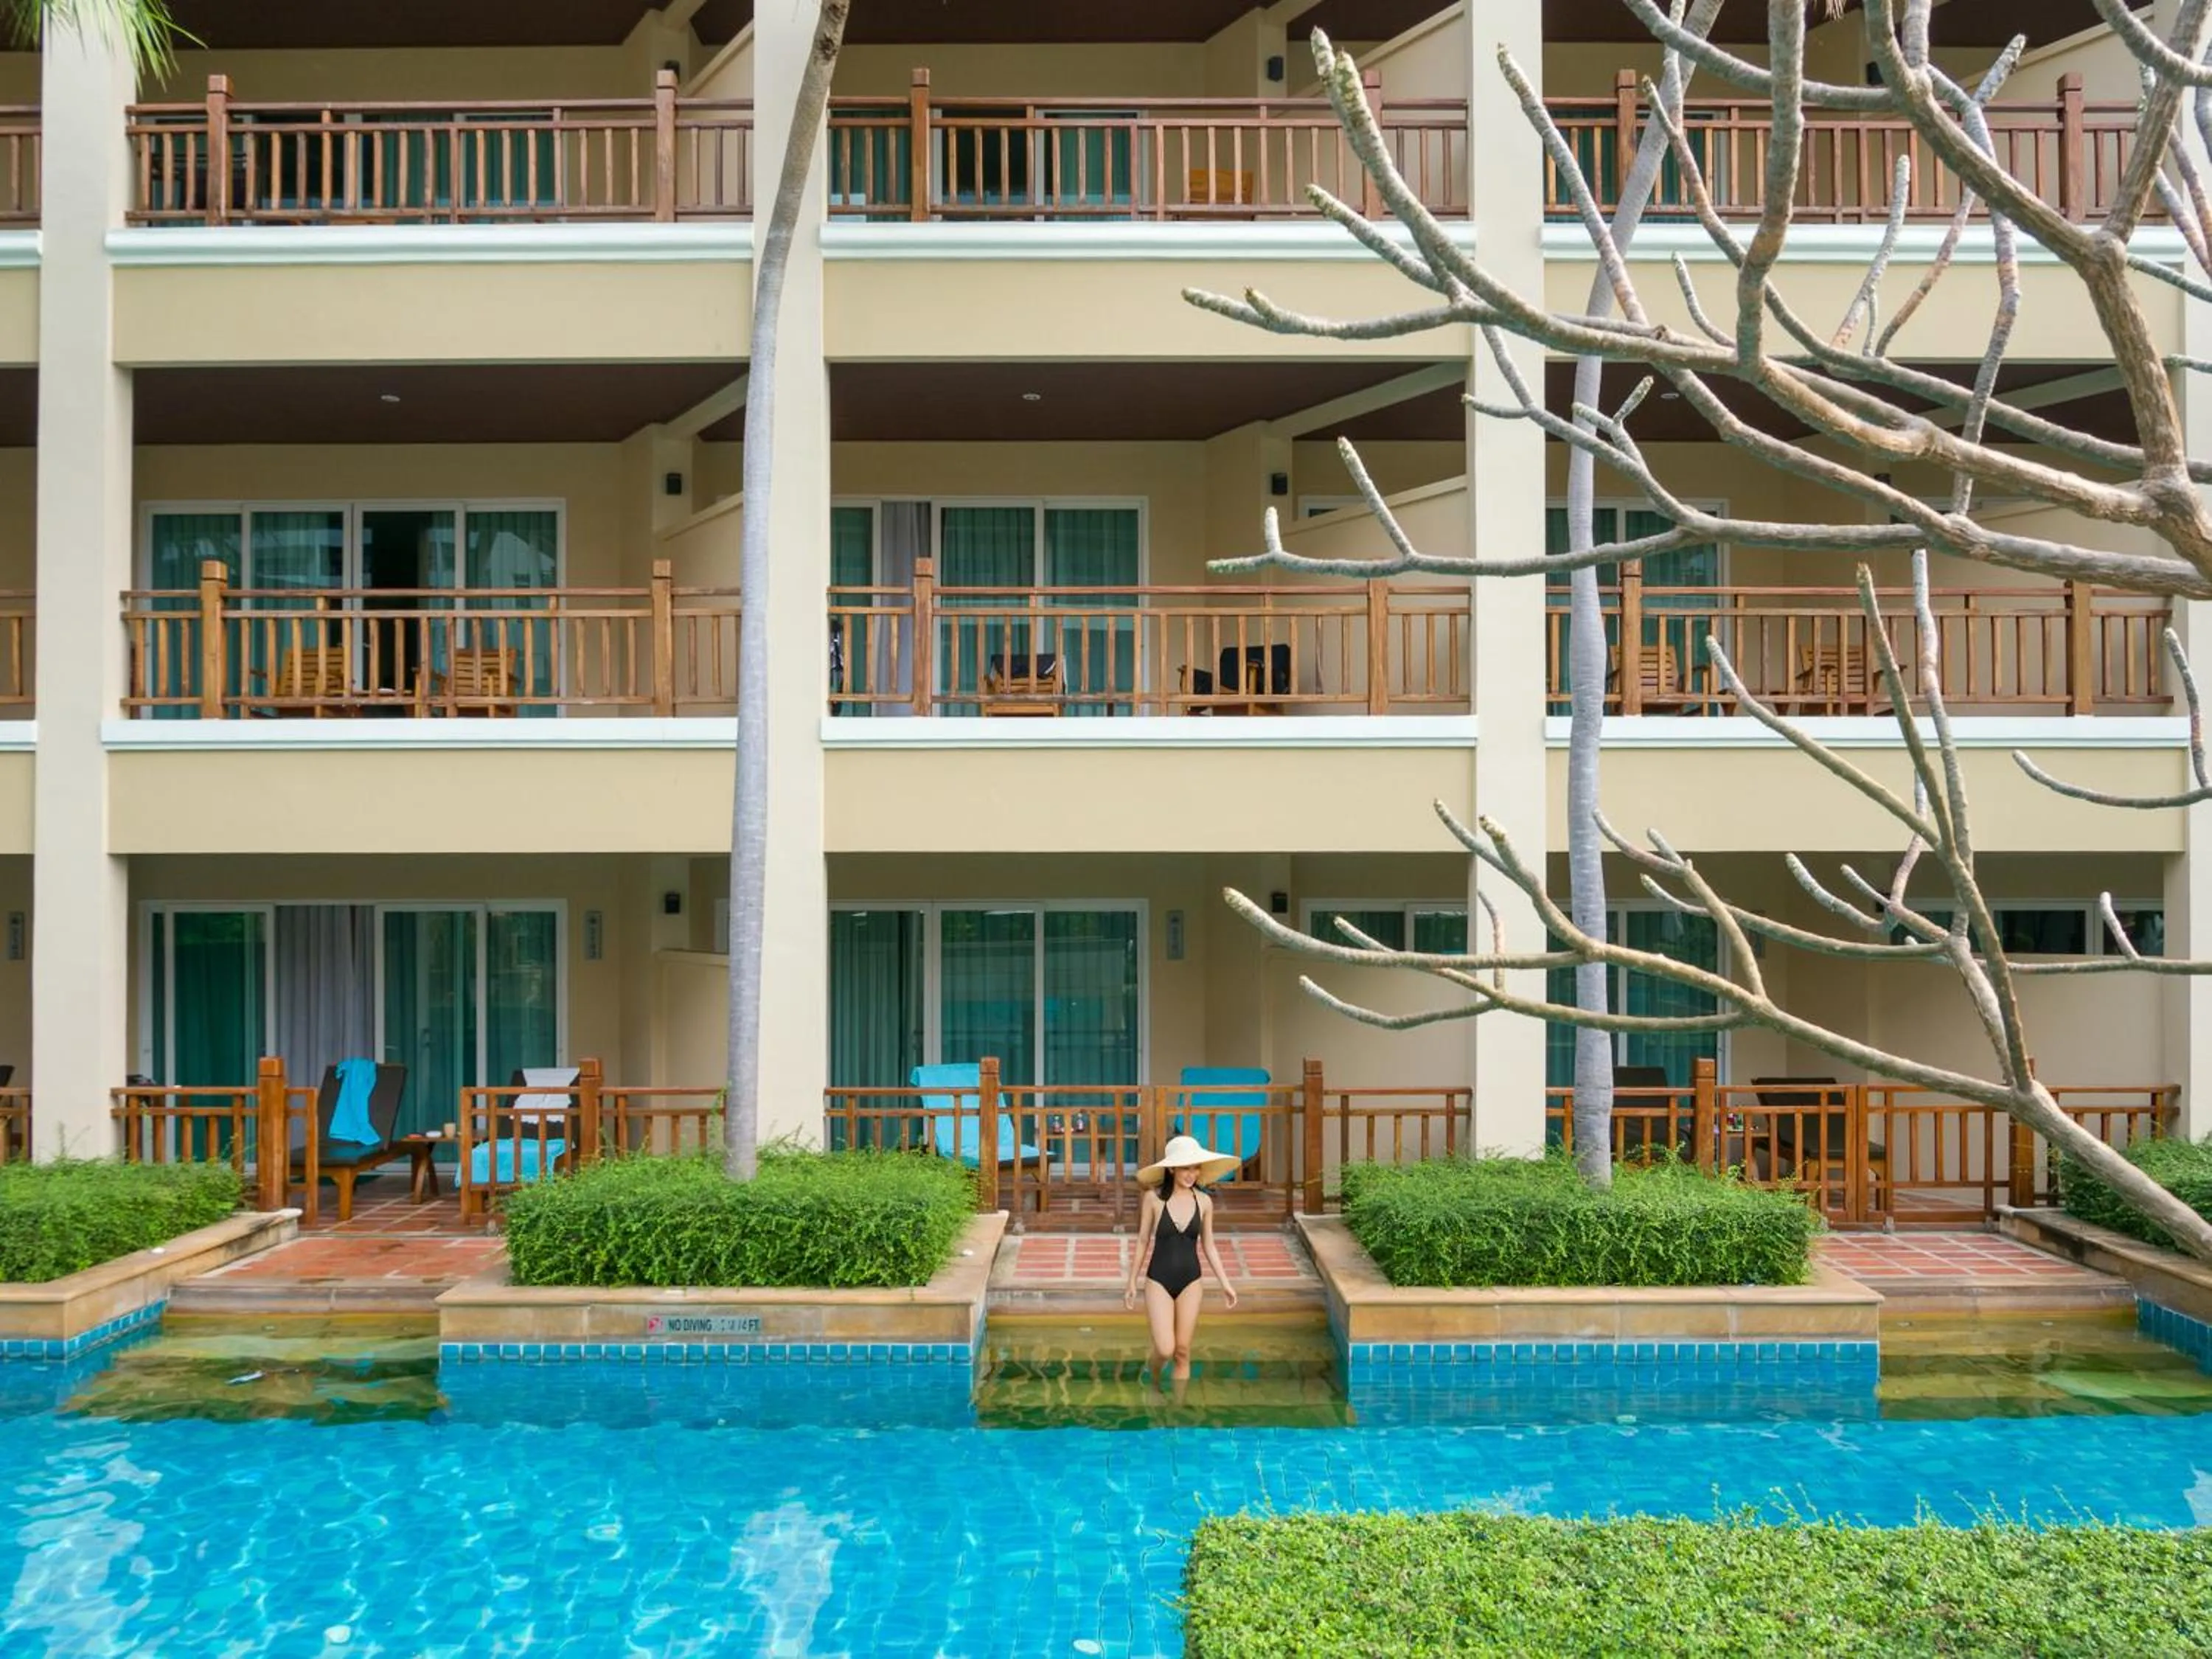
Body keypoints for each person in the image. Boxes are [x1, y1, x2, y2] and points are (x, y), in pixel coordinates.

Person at [1122, 1134, 1239, 1390]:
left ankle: (1177, 1414)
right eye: (1186, 1167)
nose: (1192, 1173)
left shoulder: (1205, 1202)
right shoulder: (1153, 1199)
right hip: (1158, 1281)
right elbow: (1143, 1241)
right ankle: (1151, 1380)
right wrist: (1132, 1282)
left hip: (1191, 1281)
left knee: (1183, 1351)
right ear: (1172, 1168)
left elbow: (1209, 1245)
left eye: (1195, 1167)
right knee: (1165, 1349)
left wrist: (1226, 1284)